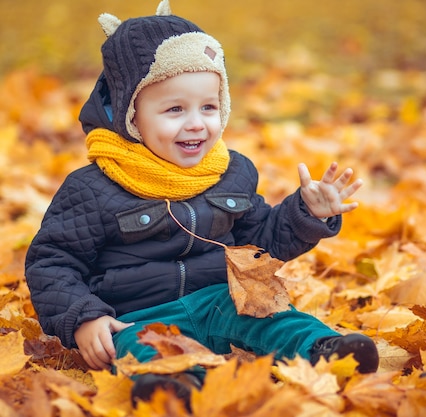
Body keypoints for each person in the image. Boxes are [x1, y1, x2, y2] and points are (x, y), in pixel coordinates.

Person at [24, 0, 378, 409]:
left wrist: (308, 213)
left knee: (269, 316)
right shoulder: (94, 188)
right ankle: (171, 386)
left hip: (219, 301)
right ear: (131, 118)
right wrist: (85, 317)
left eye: (208, 107)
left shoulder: (231, 172)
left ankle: (323, 350)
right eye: (175, 109)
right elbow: (53, 262)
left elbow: (260, 242)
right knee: (144, 349)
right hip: (135, 317)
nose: (196, 123)